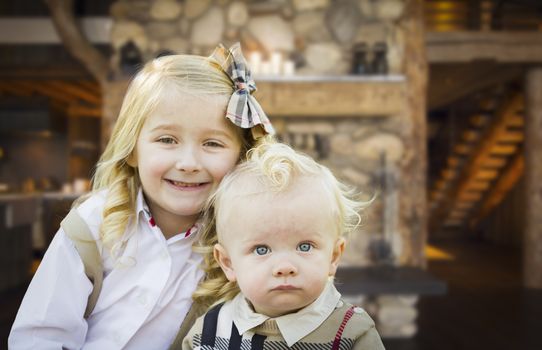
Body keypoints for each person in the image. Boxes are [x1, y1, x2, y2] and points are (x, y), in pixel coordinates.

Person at [9, 43, 274, 349]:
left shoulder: (241, 239)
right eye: (167, 139)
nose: (188, 163)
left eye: (213, 143)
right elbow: (40, 335)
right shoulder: (93, 225)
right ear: (133, 150)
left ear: (241, 157)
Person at [180, 143, 385, 350]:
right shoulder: (208, 332)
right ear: (228, 263)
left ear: (333, 256)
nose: (285, 267)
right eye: (262, 249)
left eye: (305, 247)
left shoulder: (351, 332)